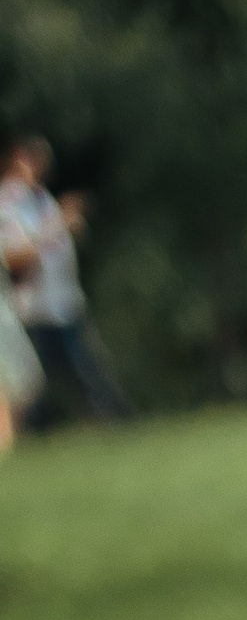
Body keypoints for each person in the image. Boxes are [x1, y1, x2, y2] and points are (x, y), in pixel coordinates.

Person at [0, 135, 131, 426]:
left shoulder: (41, 198)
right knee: (33, 385)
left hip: (64, 302)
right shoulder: (9, 202)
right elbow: (15, 257)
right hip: (35, 308)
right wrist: (60, 223)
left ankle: (111, 423)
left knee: (86, 374)